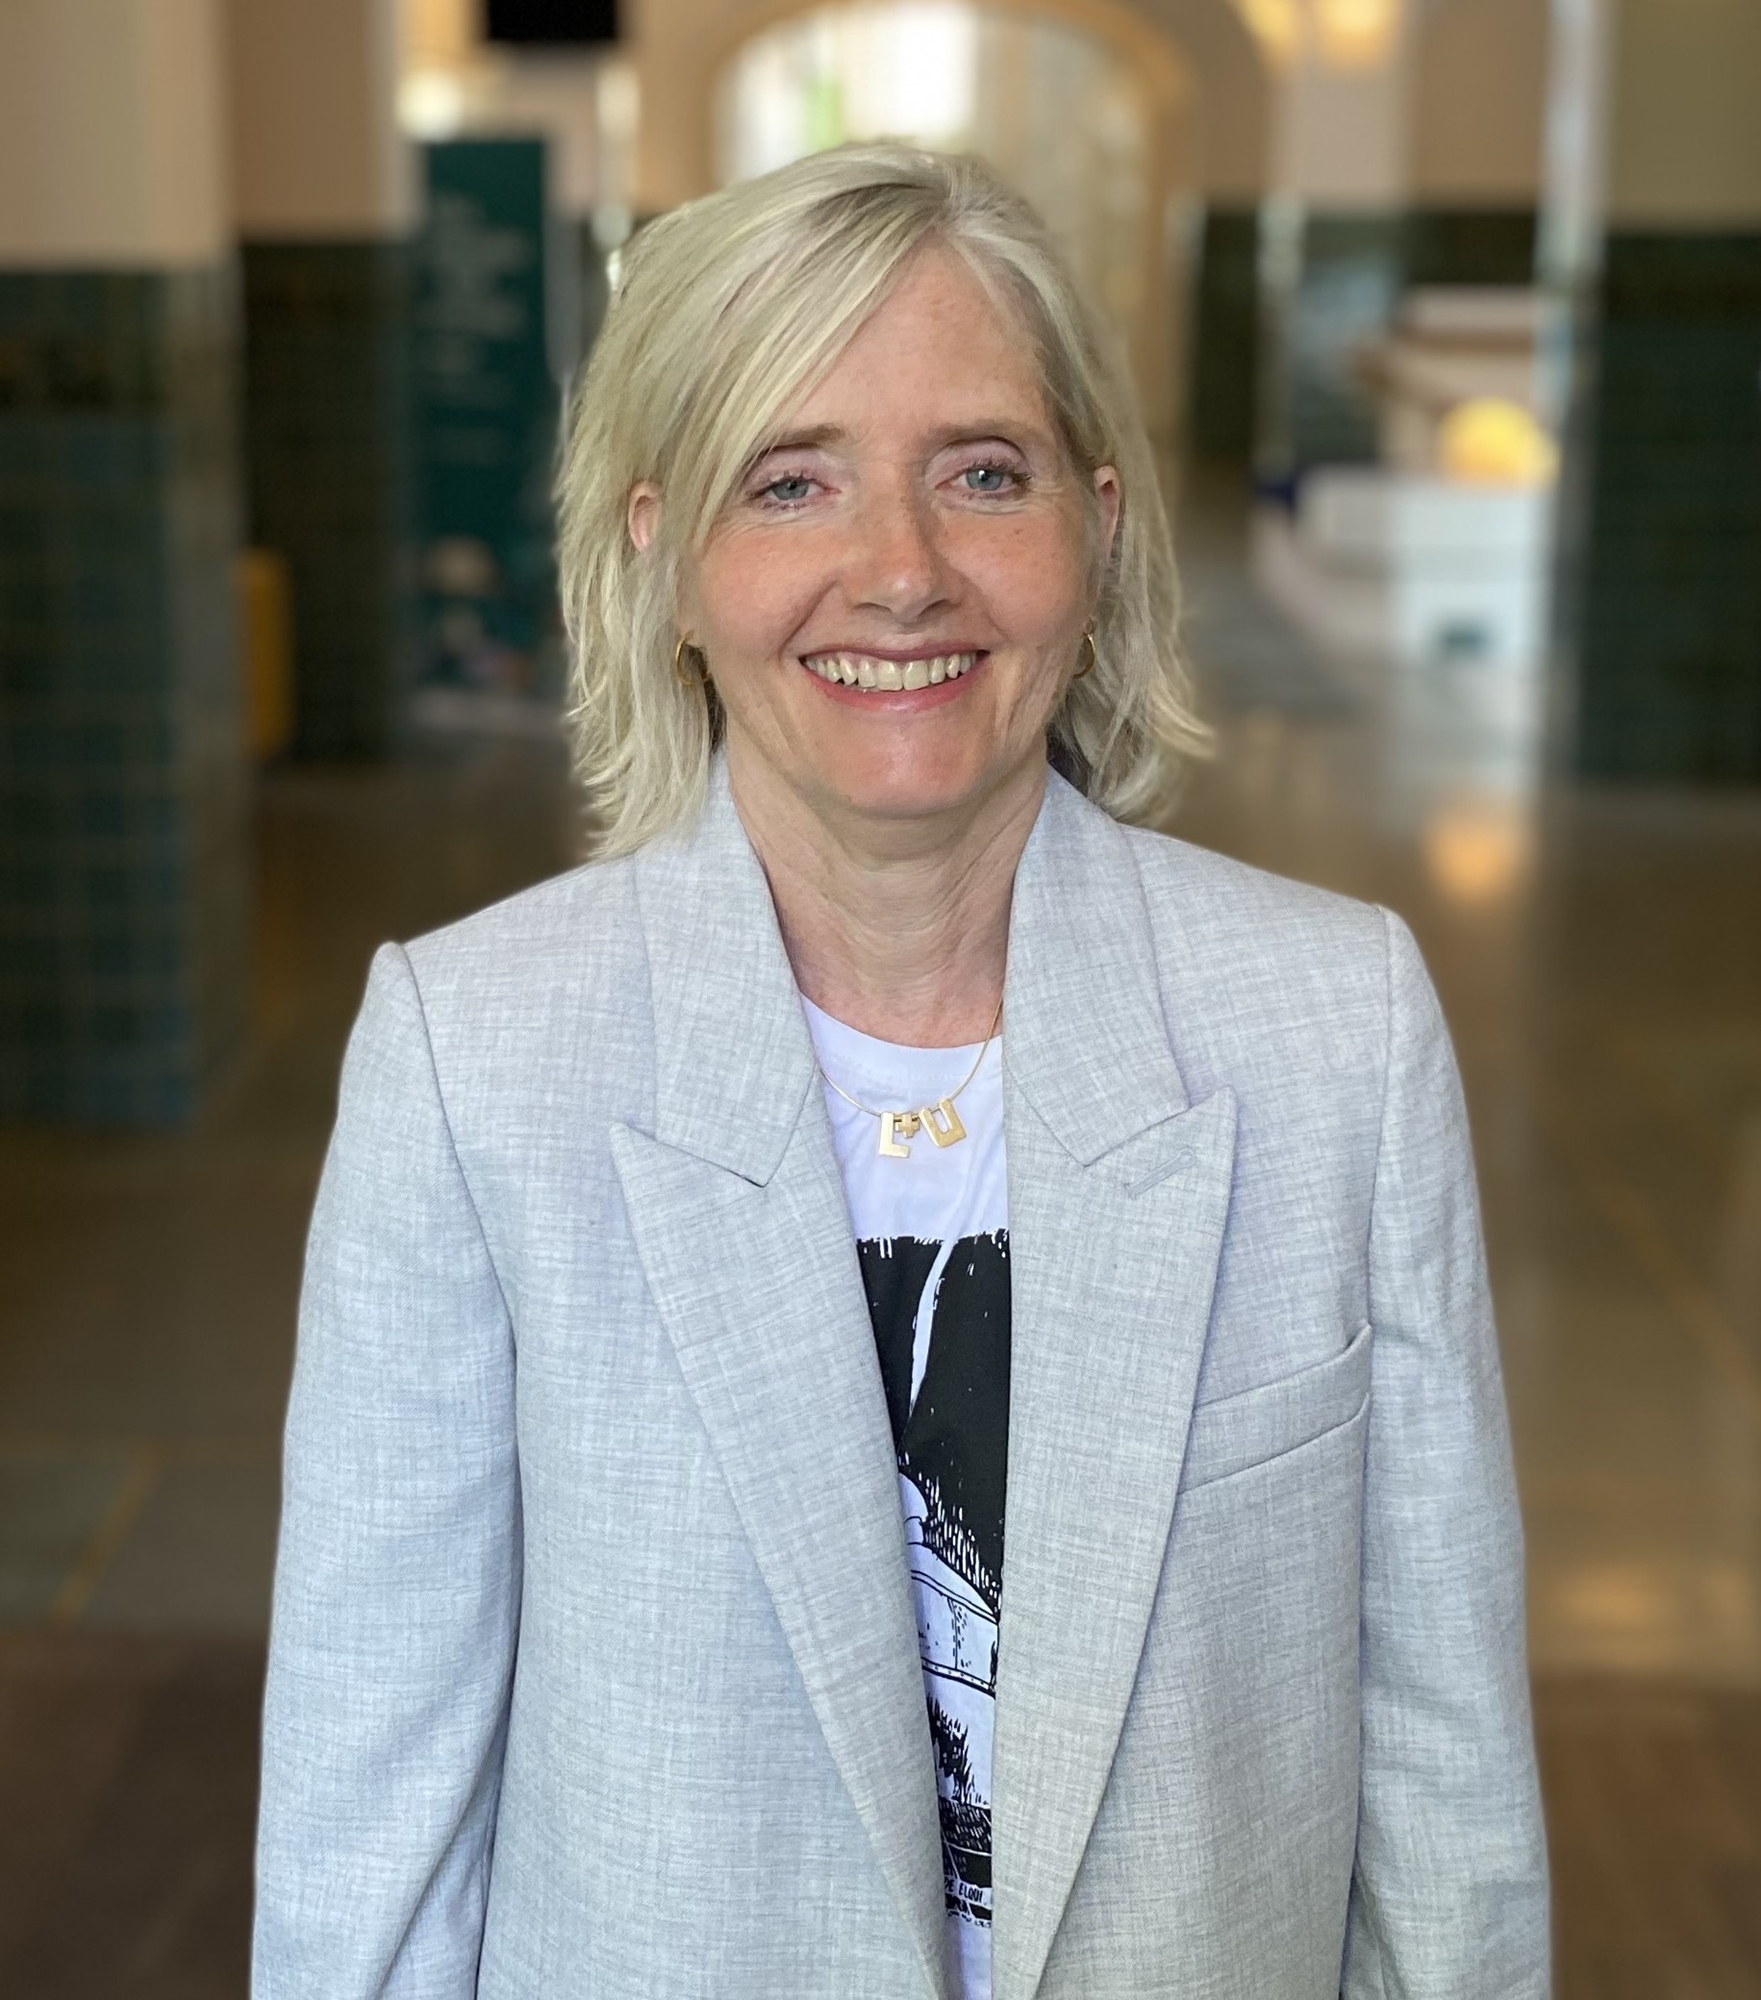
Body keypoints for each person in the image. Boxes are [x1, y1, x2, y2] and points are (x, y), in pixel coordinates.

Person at [253, 143, 1549, 2000]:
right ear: (662, 557)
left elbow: (1445, 1793)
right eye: (790, 481)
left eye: (982, 473)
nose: (900, 572)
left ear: (1096, 530)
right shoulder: (474, 1065)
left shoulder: (1337, 1031)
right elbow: (369, 1843)